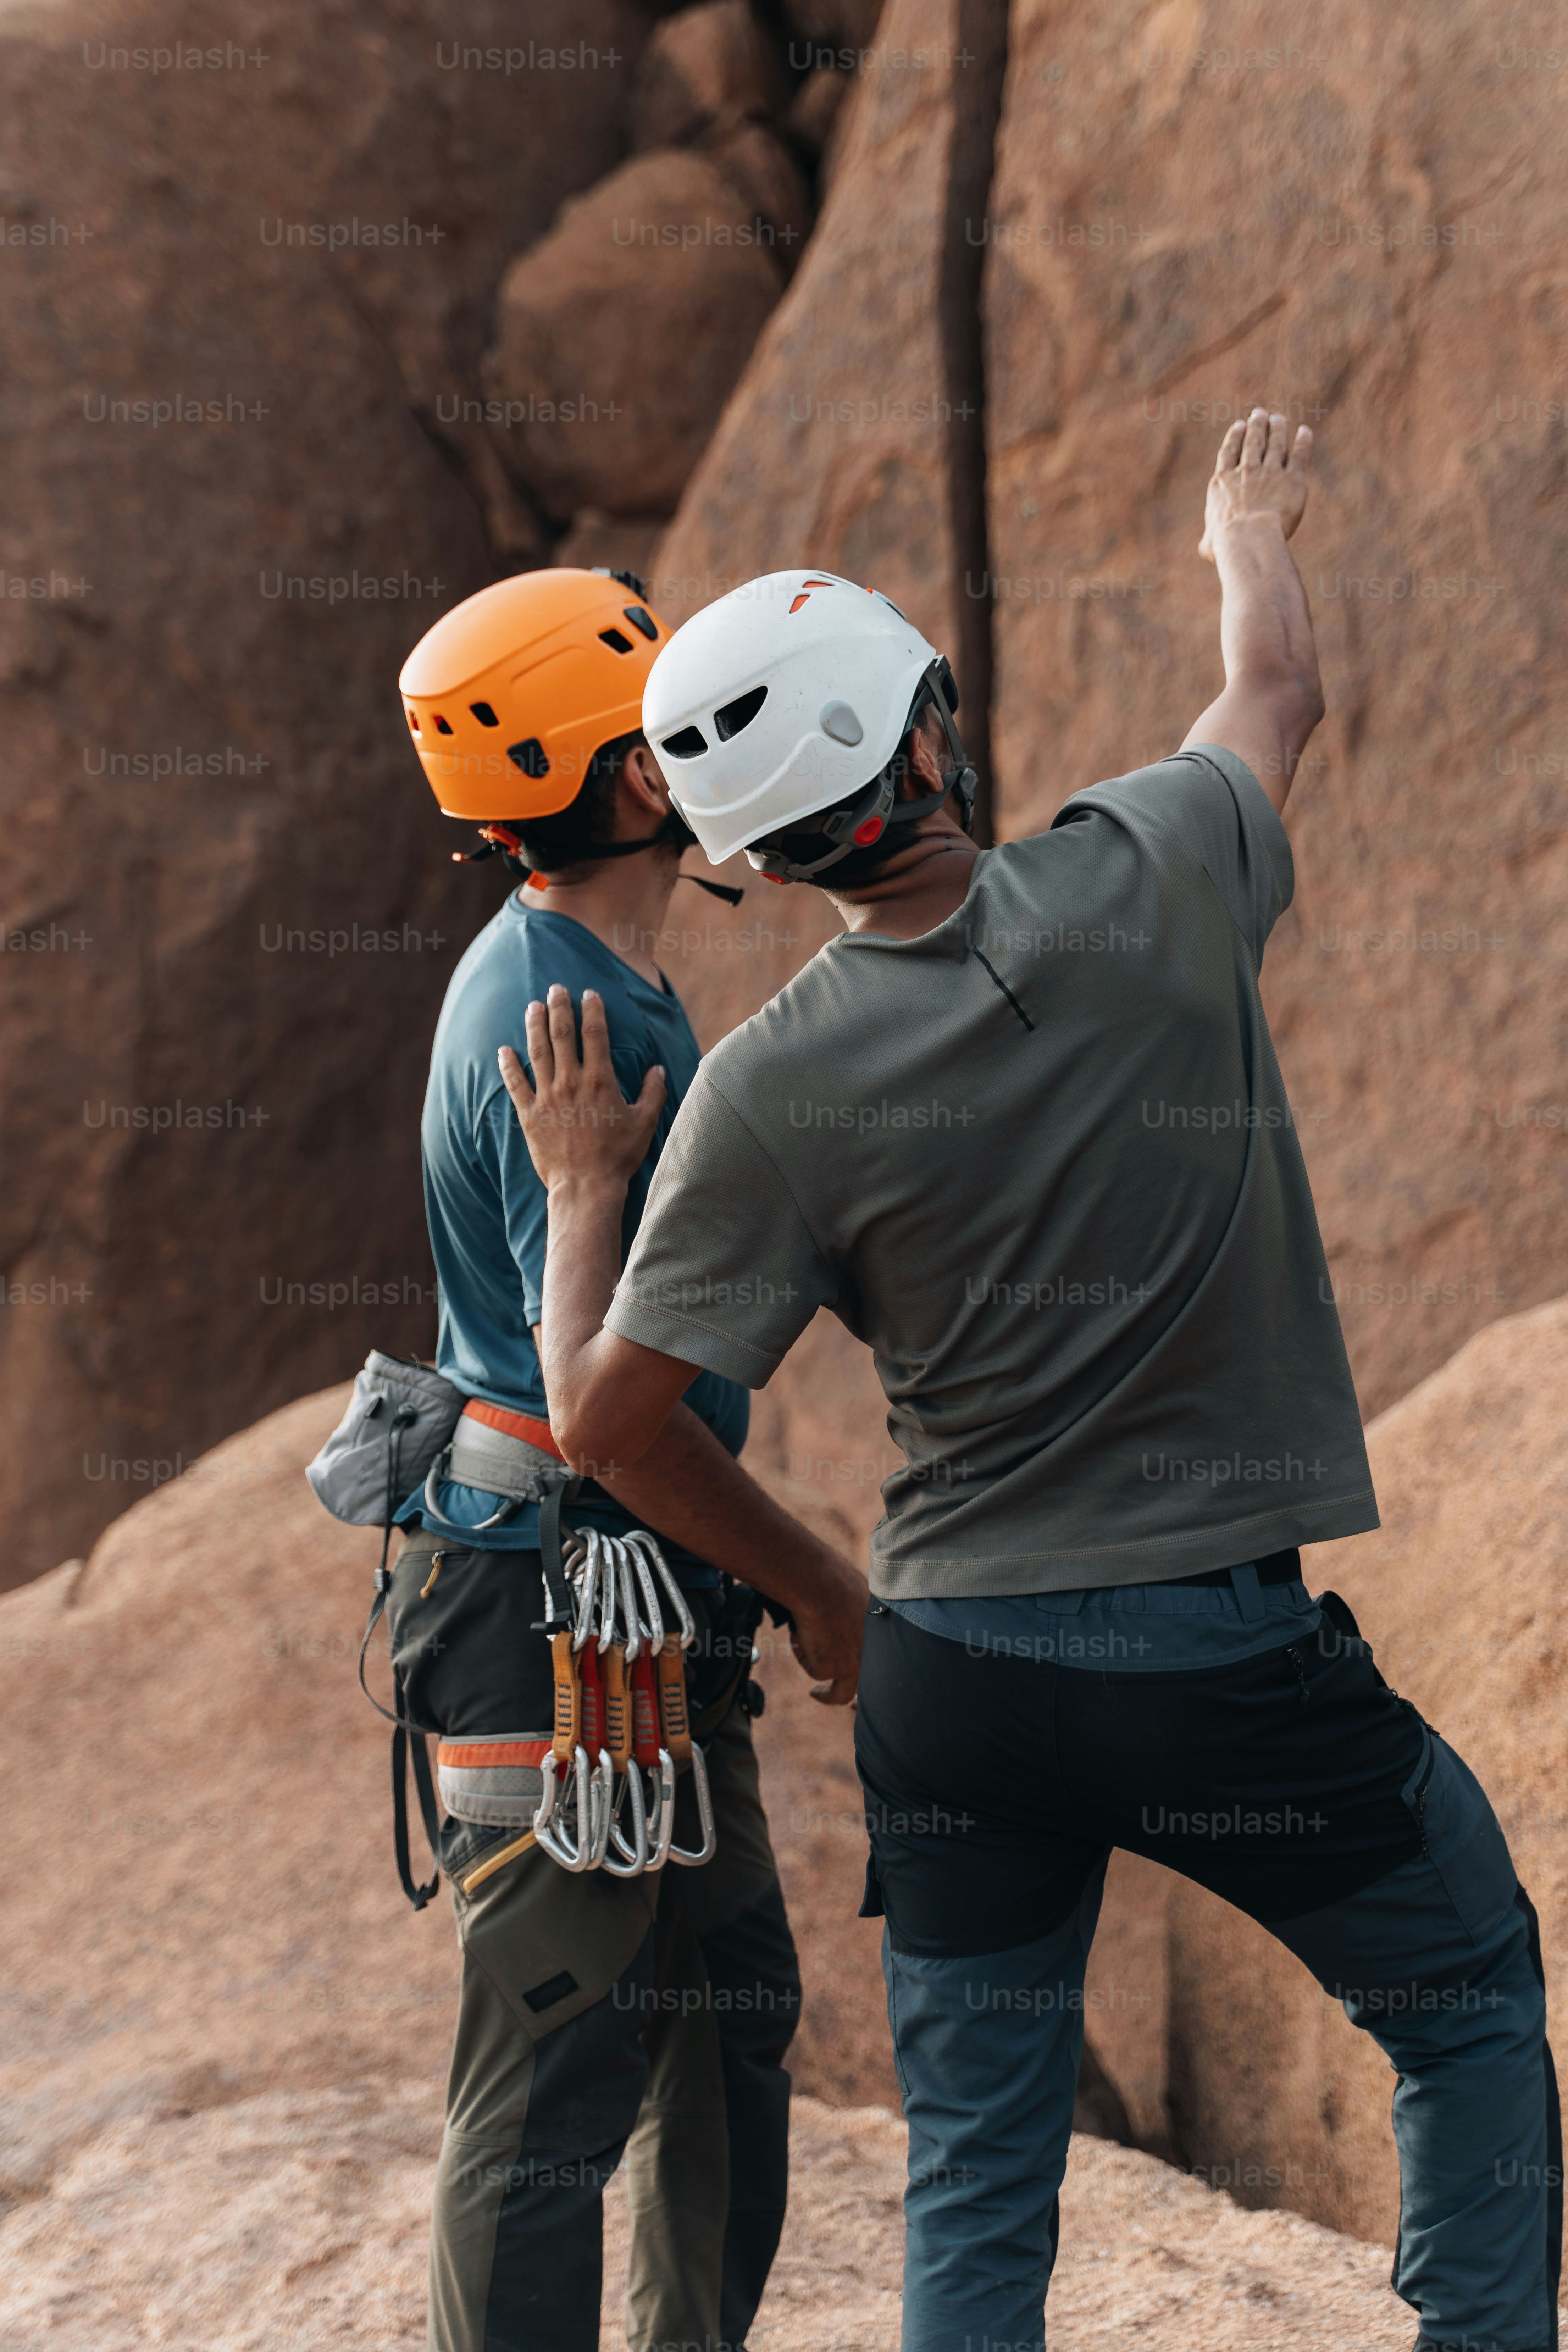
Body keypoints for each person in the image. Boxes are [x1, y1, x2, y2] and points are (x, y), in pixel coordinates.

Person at [494, 421, 1561, 2352]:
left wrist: (589, 1204)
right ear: (920, 745)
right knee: (1467, 1998)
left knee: (980, 2163)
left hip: (959, 1684)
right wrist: (1244, 530)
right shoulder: (1153, 862)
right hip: (1216, 1666)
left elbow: (607, 1418)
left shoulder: (765, 1089)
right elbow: (1277, 682)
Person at [390, 565, 864, 2352]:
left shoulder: (594, 975)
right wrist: (821, 1581)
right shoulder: (562, 1019)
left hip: (630, 1598)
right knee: (551, 2066)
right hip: (556, 1600)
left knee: (725, 2011)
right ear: (641, 778)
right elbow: (610, 1405)